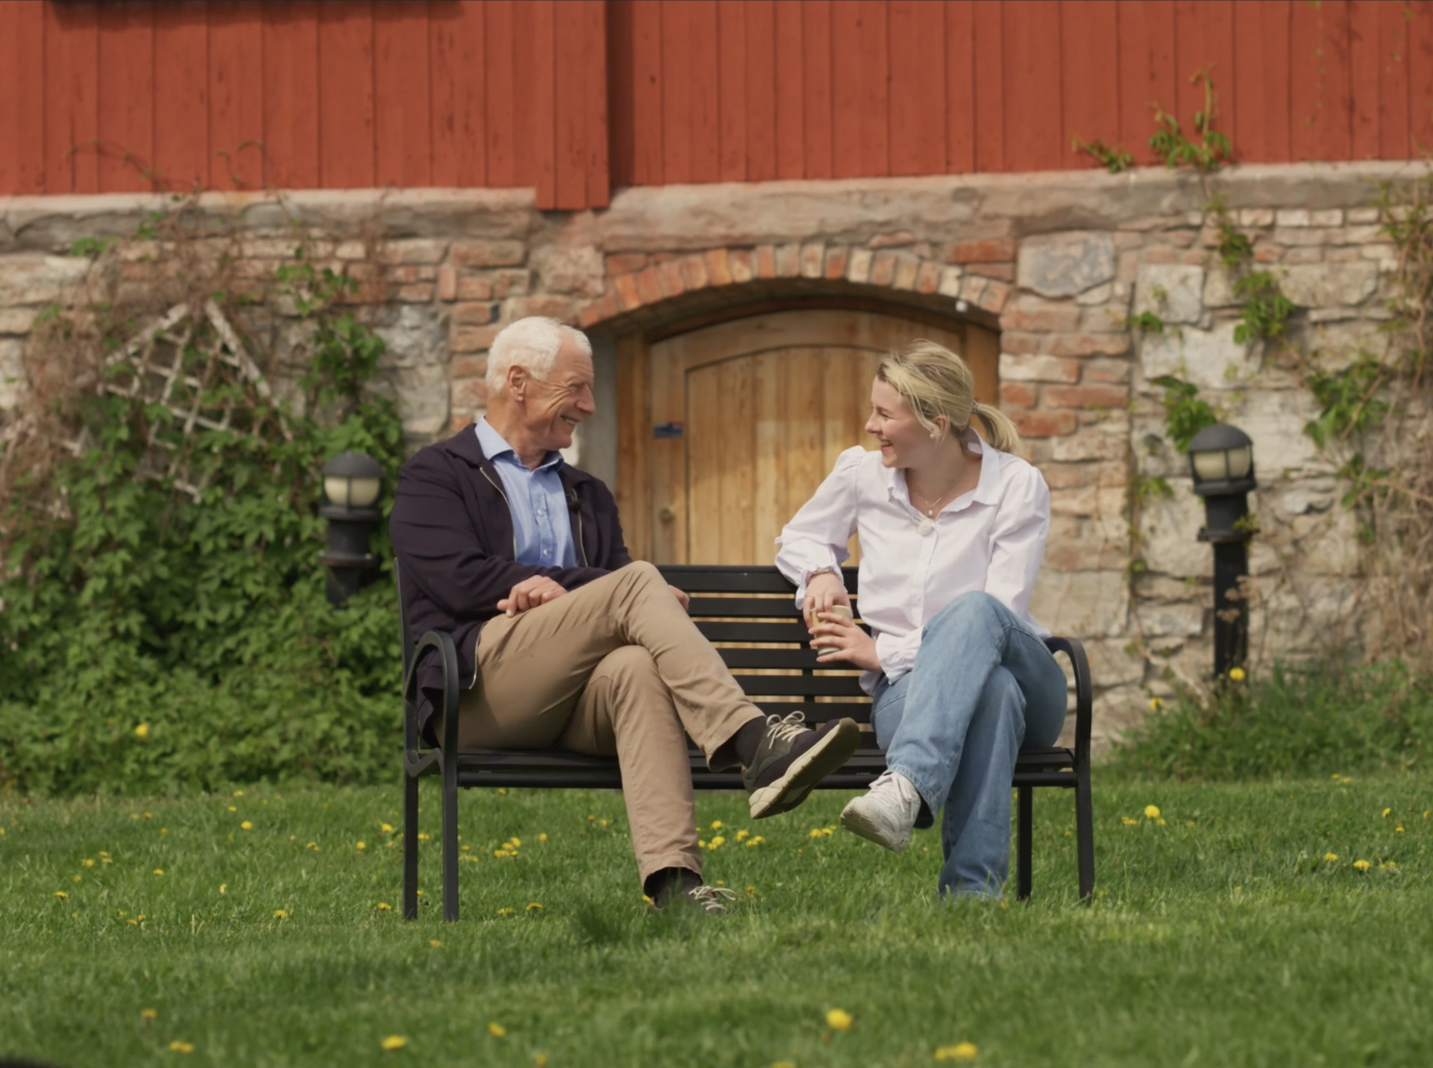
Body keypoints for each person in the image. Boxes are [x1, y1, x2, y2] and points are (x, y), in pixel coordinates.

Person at [391, 316, 860, 914]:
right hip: (479, 692)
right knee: (639, 582)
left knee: (638, 664)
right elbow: (459, 582)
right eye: (576, 388)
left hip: (574, 699)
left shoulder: (588, 492)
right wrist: (558, 592)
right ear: (518, 382)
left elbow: (609, 600)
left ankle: (675, 886)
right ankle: (754, 740)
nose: (588, 404)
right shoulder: (435, 475)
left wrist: (576, 599)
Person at [775, 340, 1063, 899]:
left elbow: (1002, 618)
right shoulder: (862, 476)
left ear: (935, 423)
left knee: (981, 615)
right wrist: (820, 574)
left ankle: (905, 785)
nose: (869, 424)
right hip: (909, 697)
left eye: (885, 414)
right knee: (991, 692)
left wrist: (882, 653)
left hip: (1034, 689)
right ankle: (972, 894)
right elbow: (802, 535)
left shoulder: (1015, 485)